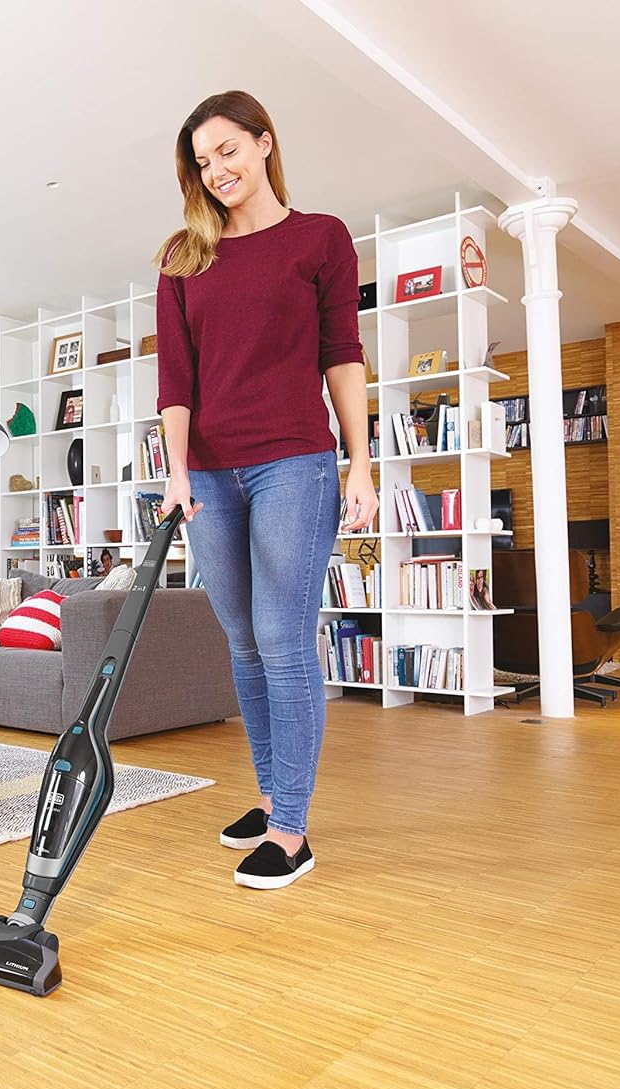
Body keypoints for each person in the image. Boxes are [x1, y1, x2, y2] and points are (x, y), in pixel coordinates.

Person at [154, 90, 378, 890]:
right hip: (209, 473)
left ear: (264, 142)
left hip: (294, 462)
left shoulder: (320, 239)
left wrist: (361, 460)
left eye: (227, 151)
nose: (217, 170)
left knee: (283, 641)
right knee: (242, 643)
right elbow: (175, 378)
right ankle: (273, 796)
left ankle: (291, 830)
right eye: (202, 161)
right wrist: (176, 472)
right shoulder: (185, 255)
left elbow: (341, 354)